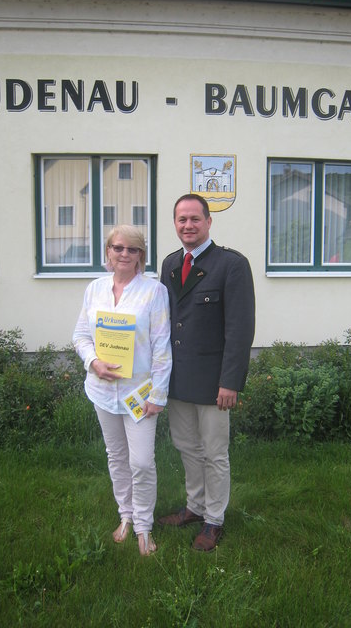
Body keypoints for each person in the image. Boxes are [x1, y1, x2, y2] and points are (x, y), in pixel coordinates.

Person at [158, 194, 255, 552]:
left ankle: (214, 519)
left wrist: (231, 381)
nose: (188, 225)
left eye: (195, 219)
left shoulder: (231, 265)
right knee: (187, 448)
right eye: (181, 219)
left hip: (215, 383)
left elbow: (240, 329)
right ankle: (195, 507)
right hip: (178, 379)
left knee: (214, 453)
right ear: (175, 224)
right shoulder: (170, 263)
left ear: (208, 221)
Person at [73, 225, 172, 556]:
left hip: (139, 394)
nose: (124, 254)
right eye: (118, 248)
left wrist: (158, 395)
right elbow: (81, 336)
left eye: (132, 249)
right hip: (102, 391)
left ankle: (144, 527)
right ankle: (126, 517)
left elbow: (162, 348)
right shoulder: (94, 290)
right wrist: (93, 362)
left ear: (141, 255)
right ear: (108, 252)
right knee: (116, 457)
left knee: (142, 461)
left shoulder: (154, 292)